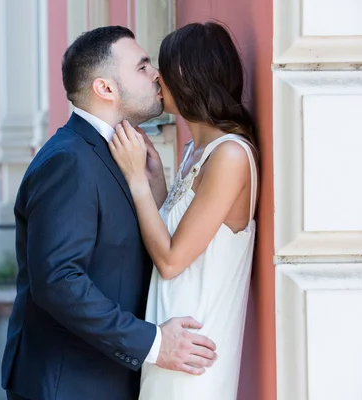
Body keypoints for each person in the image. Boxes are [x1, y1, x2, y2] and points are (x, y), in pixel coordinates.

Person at [1, 25, 217, 400]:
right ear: (106, 88)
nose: (157, 74)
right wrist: (152, 343)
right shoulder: (69, 160)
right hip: (69, 383)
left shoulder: (117, 152)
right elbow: (58, 280)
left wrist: (154, 188)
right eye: (143, 66)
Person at [109, 21, 259, 400]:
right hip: (169, 345)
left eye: (166, 66)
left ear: (192, 77)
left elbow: (172, 261)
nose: (157, 76)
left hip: (195, 358)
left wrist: (135, 180)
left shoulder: (230, 155)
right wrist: (156, 178)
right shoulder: (196, 151)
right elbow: (176, 241)